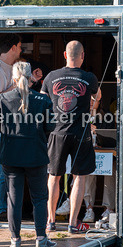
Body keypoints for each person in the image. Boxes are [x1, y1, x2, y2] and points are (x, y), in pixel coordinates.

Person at [0, 61, 57, 247]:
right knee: (39, 198)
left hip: (11, 154)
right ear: (31, 78)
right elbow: (50, 126)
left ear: (13, 77)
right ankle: (41, 239)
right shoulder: (42, 100)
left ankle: (15, 240)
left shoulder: (4, 98)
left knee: (14, 198)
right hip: (36, 154)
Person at [43, 41, 101, 235]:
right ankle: (72, 223)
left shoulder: (51, 76)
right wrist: (93, 102)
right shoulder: (89, 78)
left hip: (56, 133)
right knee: (79, 177)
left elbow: (42, 101)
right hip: (80, 134)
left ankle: (50, 221)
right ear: (82, 56)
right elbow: (98, 97)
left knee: (53, 176)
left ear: (65, 55)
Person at [0, 34, 23, 220]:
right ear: (12, 48)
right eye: (19, 46)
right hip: (1, 129)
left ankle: (6, 208)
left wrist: (28, 80)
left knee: (8, 168)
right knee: (1, 168)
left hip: (12, 127)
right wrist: (17, 86)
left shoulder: (9, 67)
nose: (21, 50)